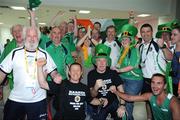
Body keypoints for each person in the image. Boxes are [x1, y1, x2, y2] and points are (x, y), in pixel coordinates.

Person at [0, 26, 62, 120]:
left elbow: (53, 72)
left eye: (35, 36)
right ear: (24, 37)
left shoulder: (44, 54)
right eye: (29, 36)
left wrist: (56, 76)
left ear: (39, 38)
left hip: (38, 100)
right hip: (16, 99)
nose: (32, 39)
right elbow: (2, 73)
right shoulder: (14, 53)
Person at [37, 62, 107, 120]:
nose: (75, 72)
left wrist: (102, 101)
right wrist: (39, 67)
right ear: (69, 73)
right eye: (73, 70)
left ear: (81, 73)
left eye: (78, 70)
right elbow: (42, 84)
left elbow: (91, 100)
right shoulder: (61, 84)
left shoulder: (85, 88)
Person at [109, 73, 180, 120]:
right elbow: (129, 98)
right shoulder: (149, 96)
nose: (155, 86)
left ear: (165, 86)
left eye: (159, 83)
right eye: (153, 82)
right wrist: (115, 91)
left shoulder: (173, 102)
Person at [87, 44, 125, 120]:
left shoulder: (112, 73)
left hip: (112, 101)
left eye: (104, 60)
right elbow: (92, 95)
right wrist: (96, 87)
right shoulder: (91, 74)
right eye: (99, 60)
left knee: (120, 115)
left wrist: (122, 105)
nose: (101, 63)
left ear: (107, 63)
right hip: (99, 102)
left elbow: (121, 90)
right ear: (95, 63)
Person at [113, 24, 143, 120]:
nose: (124, 40)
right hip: (123, 78)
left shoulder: (133, 50)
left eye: (127, 39)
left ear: (131, 40)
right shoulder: (123, 50)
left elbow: (131, 66)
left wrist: (119, 70)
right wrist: (115, 68)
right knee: (121, 100)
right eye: (123, 39)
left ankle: (128, 118)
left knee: (128, 102)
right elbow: (120, 63)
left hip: (134, 80)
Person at [139, 23, 168, 120]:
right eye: (143, 32)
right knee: (148, 101)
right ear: (140, 33)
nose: (145, 34)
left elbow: (170, 57)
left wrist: (163, 47)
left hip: (159, 80)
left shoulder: (158, 43)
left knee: (162, 102)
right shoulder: (140, 46)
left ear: (152, 32)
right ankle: (149, 118)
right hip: (146, 80)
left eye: (148, 31)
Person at [170, 20, 180, 97]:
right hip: (172, 82)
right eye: (171, 34)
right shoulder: (171, 49)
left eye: (175, 34)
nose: (171, 37)